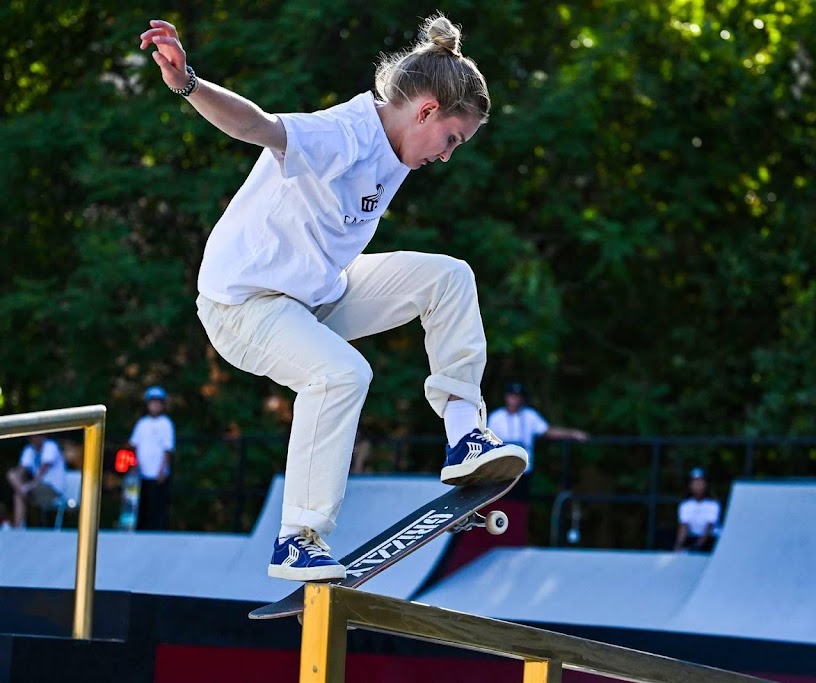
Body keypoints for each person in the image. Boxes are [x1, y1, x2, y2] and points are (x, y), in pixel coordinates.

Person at [139, 13, 527, 581]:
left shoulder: (401, 146)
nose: (446, 156)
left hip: (319, 291)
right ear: (424, 111)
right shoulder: (340, 136)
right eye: (450, 140)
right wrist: (188, 83)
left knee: (450, 278)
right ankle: (298, 537)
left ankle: (464, 433)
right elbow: (256, 125)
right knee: (343, 374)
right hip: (244, 308)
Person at [487, 382, 588, 477]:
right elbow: (488, 441)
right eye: (512, 396)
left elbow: (548, 431)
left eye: (518, 396)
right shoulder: (496, 417)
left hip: (524, 469)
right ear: (506, 397)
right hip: (501, 470)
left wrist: (572, 433)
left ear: (522, 398)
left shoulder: (530, 415)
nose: (515, 399)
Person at [128, 385, 176, 530]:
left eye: (158, 402)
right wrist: (134, 465)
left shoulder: (166, 424)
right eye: (152, 402)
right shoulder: (142, 423)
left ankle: (156, 530)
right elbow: (134, 445)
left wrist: (162, 469)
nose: (154, 405)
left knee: (157, 506)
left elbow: (168, 449)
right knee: (142, 505)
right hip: (142, 473)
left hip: (157, 473)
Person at [6, 434, 67, 528]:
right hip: (36, 488)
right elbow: (22, 469)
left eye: (38, 436)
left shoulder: (50, 446)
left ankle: (18, 526)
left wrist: (29, 485)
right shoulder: (29, 450)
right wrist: (14, 476)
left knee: (20, 495)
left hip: (53, 489)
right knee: (14, 480)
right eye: (33, 436)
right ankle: (18, 527)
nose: (35, 438)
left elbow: (43, 470)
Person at [673, 468, 721, 552]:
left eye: (700, 482)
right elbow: (684, 527)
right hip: (692, 538)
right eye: (694, 482)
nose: (698, 485)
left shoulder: (713, 504)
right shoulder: (685, 505)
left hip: (710, 540)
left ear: (706, 484)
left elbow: (709, 527)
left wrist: (697, 547)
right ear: (690, 485)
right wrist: (678, 546)